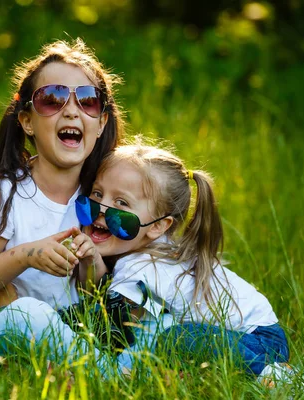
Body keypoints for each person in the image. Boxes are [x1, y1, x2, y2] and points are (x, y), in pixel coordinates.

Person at [0, 38, 125, 344]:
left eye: (87, 100)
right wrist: (28, 255)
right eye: (52, 99)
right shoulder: (4, 193)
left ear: (100, 123)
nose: (72, 111)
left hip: (67, 331)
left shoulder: (100, 197)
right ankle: (104, 370)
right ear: (27, 121)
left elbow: (91, 296)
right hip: (0, 327)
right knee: (32, 313)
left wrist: (91, 264)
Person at [71, 142, 289, 375]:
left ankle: (275, 374)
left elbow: (112, 327)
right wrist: (90, 261)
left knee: (176, 340)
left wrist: (59, 322)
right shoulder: (147, 246)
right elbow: (97, 293)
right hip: (248, 334)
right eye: (97, 194)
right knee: (168, 344)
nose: (102, 209)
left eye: (121, 203)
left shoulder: (143, 266)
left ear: (157, 226)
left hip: (259, 340)